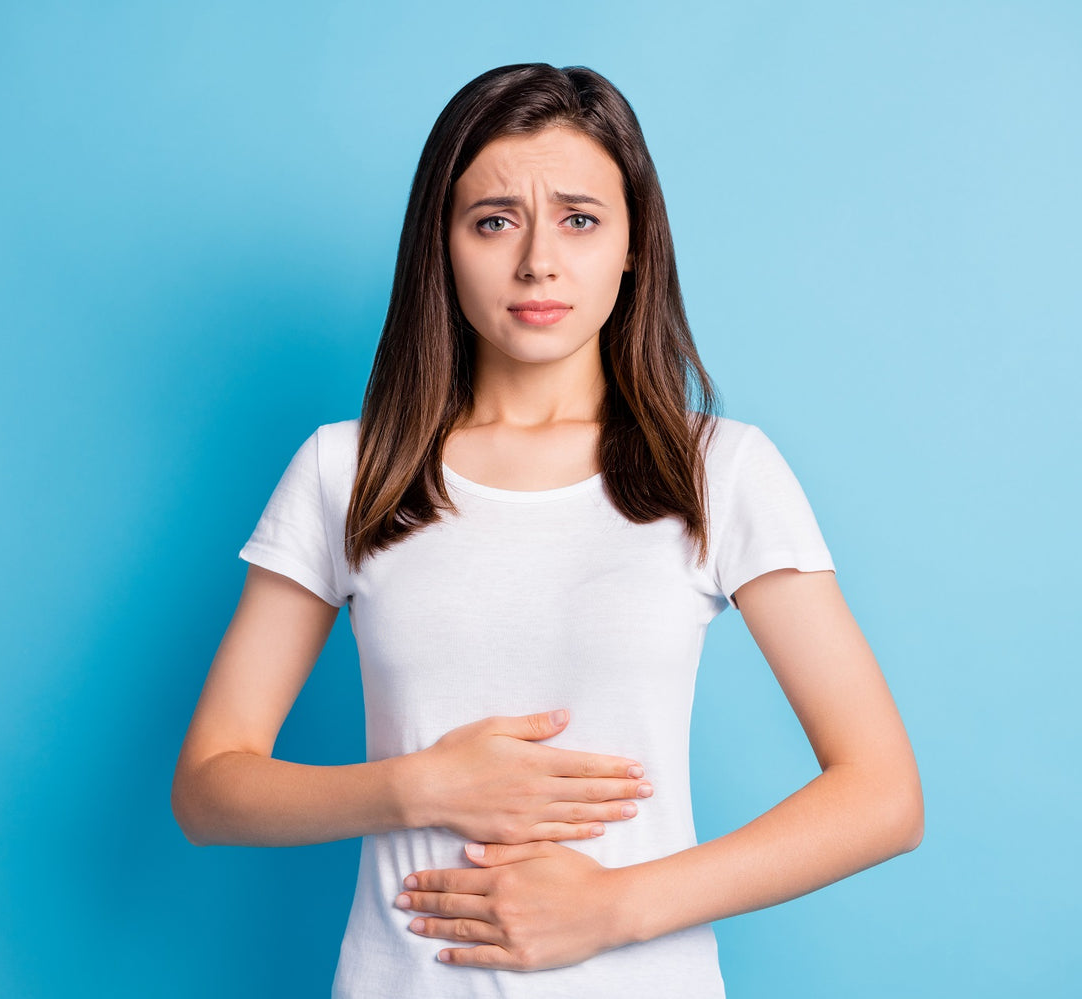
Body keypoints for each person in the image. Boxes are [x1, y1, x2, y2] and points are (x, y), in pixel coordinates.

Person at [171, 62, 923, 997]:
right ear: (441, 245)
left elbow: (883, 794)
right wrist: (419, 785)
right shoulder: (348, 468)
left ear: (633, 244)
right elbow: (209, 785)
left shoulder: (718, 468)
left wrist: (617, 906)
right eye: (494, 220)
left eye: (579, 218)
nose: (538, 261)